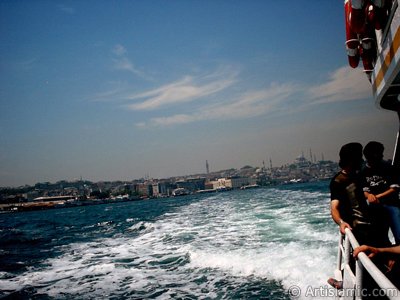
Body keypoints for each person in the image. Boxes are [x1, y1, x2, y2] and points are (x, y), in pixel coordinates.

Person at [330, 142, 389, 247]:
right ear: (351, 160)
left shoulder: (360, 175)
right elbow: (334, 208)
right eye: (359, 157)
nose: (362, 160)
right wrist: (341, 223)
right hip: (357, 229)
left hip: (371, 225)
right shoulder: (338, 182)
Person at [361, 141, 400, 245]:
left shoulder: (389, 168)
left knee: (398, 232)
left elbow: (395, 188)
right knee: (378, 236)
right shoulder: (363, 172)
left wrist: (377, 196)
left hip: (392, 205)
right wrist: (369, 195)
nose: (382, 156)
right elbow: (364, 190)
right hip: (375, 207)